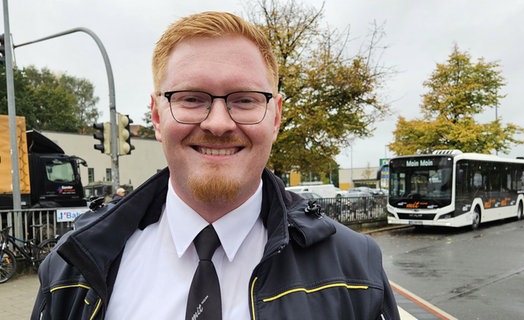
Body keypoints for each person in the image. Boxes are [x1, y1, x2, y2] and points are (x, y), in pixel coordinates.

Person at [31, 11, 400, 320]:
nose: (219, 123)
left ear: (275, 116)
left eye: (244, 99)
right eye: (192, 98)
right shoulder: (70, 267)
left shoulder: (355, 267)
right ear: (157, 116)